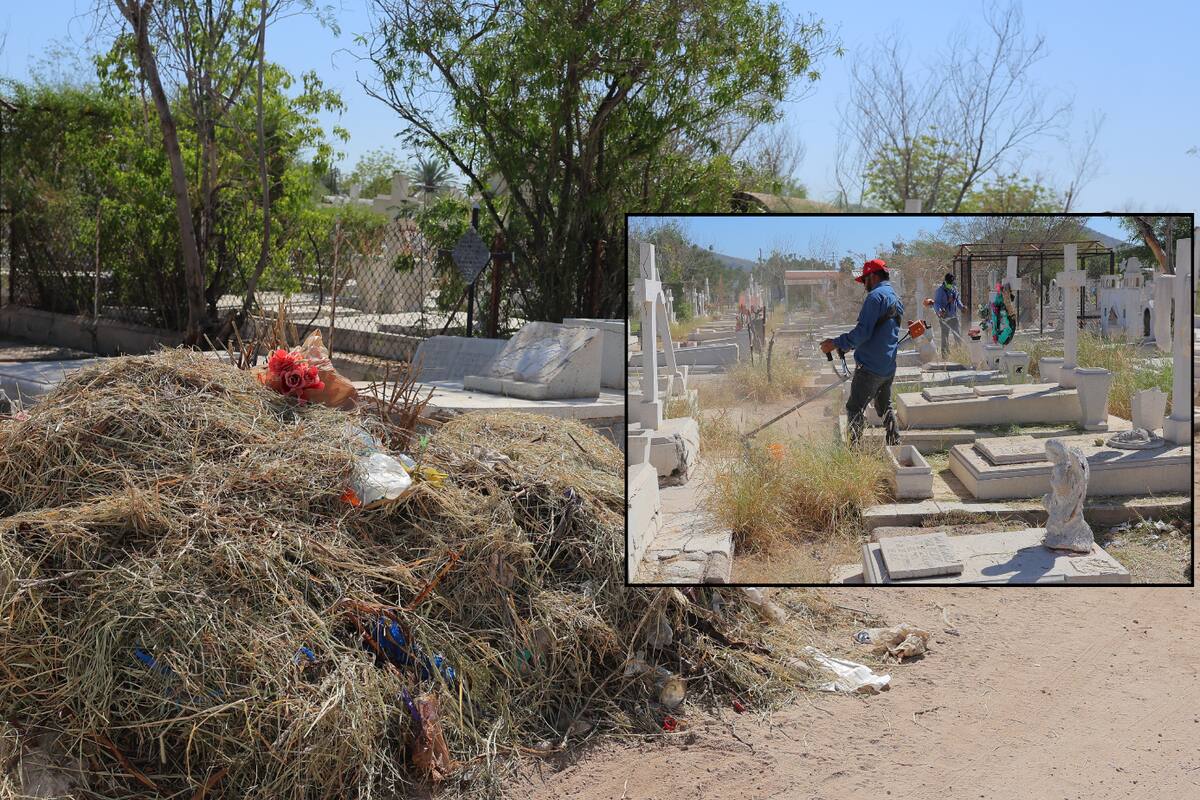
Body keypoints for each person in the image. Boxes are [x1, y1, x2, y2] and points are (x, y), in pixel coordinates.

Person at [820, 258, 904, 446]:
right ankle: (895, 442)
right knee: (884, 405)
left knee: (855, 408)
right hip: (888, 366)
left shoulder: (875, 297)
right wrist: (848, 345)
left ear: (873, 277)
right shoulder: (895, 298)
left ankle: (855, 453)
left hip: (870, 367)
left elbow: (863, 332)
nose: (864, 284)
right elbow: (880, 332)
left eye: (865, 279)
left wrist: (835, 343)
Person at [927, 272, 965, 357]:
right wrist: (940, 311)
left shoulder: (954, 289)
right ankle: (945, 356)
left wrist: (962, 307)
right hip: (944, 318)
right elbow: (936, 303)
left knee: (957, 335)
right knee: (945, 337)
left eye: (952, 283)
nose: (950, 284)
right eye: (949, 283)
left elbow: (957, 301)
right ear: (945, 281)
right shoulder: (940, 291)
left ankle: (960, 354)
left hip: (954, 316)